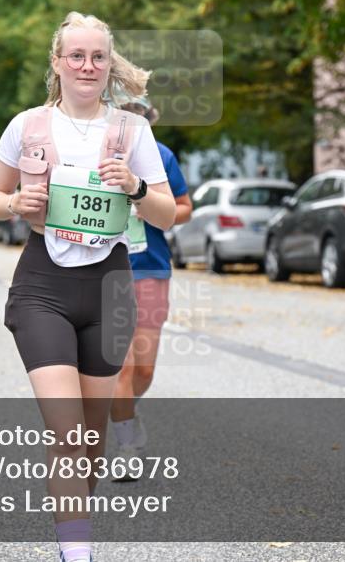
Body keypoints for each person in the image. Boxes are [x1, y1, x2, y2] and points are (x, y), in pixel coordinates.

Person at [0, 12, 175, 562]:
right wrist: (15, 203)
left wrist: (136, 187)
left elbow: (165, 215)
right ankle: (78, 554)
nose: (87, 66)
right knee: (66, 434)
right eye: (76, 56)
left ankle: (74, 533)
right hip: (42, 285)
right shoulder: (27, 126)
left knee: (90, 444)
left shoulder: (132, 131)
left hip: (110, 286)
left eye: (97, 57)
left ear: (108, 65)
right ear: (57, 63)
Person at [109, 98, 192, 475]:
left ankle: (128, 407)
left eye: (139, 117)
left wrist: (150, 207)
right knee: (121, 368)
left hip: (151, 270)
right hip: (106, 272)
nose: (133, 123)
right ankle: (126, 443)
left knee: (143, 371)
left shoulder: (161, 156)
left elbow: (183, 208)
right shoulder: (98, 154)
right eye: (126, 116)